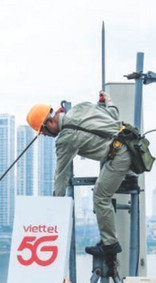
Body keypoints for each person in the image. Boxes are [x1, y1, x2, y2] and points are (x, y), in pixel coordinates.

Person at [27, 92, 131, 263]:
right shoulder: (81, 108)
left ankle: (110, 245)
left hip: (121, 157)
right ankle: (130, 177)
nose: (45, 135)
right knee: (104, 190)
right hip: (129, 143)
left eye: (43, 131)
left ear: (50, 122)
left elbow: (60, 177)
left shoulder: (65, 139)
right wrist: (108, 101)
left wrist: (55, 210)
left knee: (100, 196)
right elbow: (113, 114)